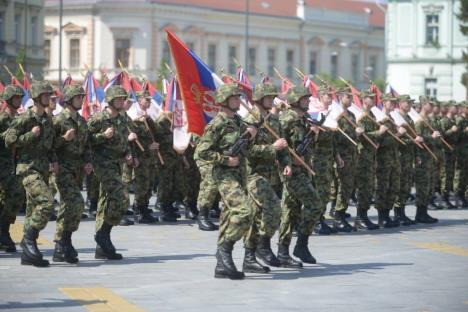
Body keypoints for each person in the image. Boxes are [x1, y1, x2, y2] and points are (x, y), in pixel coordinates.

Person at [195, 83, 256, 280]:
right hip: (223, 176)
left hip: (239, 175)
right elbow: (201, 151)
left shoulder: (238, 121)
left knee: (229, 217)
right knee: (244, 211)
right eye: (235, 98)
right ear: (224, 101)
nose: (238, 101)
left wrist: (251, 136)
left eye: (238, 98)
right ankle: (225, 249)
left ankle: (221, 266)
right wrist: (225, 160)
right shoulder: (217, 124)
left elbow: (246, 148)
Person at [5, 81, 58, 267]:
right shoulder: (26, 118)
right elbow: (9, 139)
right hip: (27, 169)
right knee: (46, 202)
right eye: (45, 95)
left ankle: (29, 253)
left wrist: (54, 160)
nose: (49, 98)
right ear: (36, 97)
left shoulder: (47, 120)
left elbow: (50, 145)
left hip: (42, 169)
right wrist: (30, 135)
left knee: (32, 209)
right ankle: (28, 239)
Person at [243, 83, 291, 272]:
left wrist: (286, 162)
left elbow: (283, 146)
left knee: (257, 216)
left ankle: (250, 256)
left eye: (273, 97)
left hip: (271, 175)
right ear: (259, 99)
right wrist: (273, 148)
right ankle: (263, 245)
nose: (272, 100)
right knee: (273, 209)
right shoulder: (249, 121)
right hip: (254, 174)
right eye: (268, 97)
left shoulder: (273, 120)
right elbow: (246, 150)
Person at [87, 85, 137, 260]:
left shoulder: (122, 120)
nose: (122, 102)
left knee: (105, 203)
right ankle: (103, 234)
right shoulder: (98, 119)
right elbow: (85, 140)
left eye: (123, 99)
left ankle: (102, 245)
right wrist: (103, 136)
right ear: (110, 101)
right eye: (119, 99)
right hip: (102, 165)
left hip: (116, 164)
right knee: (121, 197)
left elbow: (123, 142)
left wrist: (129, 155)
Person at [277, 86, 321, 267]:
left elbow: (306, 146)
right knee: (315, 203)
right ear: (295, 100)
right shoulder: (286, 119)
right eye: (304, 98)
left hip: (302, 170)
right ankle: (301, 245)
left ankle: (283, 252)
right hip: (291, 172)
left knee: (291, 211)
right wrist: (289, 160)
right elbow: (279, 144)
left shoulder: (303, 120)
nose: (308, 101)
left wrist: (314, 136)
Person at [52, 84, 93, 263]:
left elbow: (87, 146)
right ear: (68, 100)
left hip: (77, 170)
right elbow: (49, 146)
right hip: (63, 169)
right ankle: (63, 241)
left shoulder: (82, 121)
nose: (81, 100)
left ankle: (63, 243)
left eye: (81, 97)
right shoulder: (58, 121)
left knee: (68, 206)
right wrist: (63, 139)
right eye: (78, 97)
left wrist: (88, 161)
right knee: (76, 202)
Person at [0, 85, 26, 252]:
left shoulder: (20, 119)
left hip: (14, 163)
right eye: (16, 98)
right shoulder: (2, 119)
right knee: (8, 197)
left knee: (15, 197)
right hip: (2, 163)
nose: (19, 100)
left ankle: (3, 230)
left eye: (19, 97)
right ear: (8, 100)